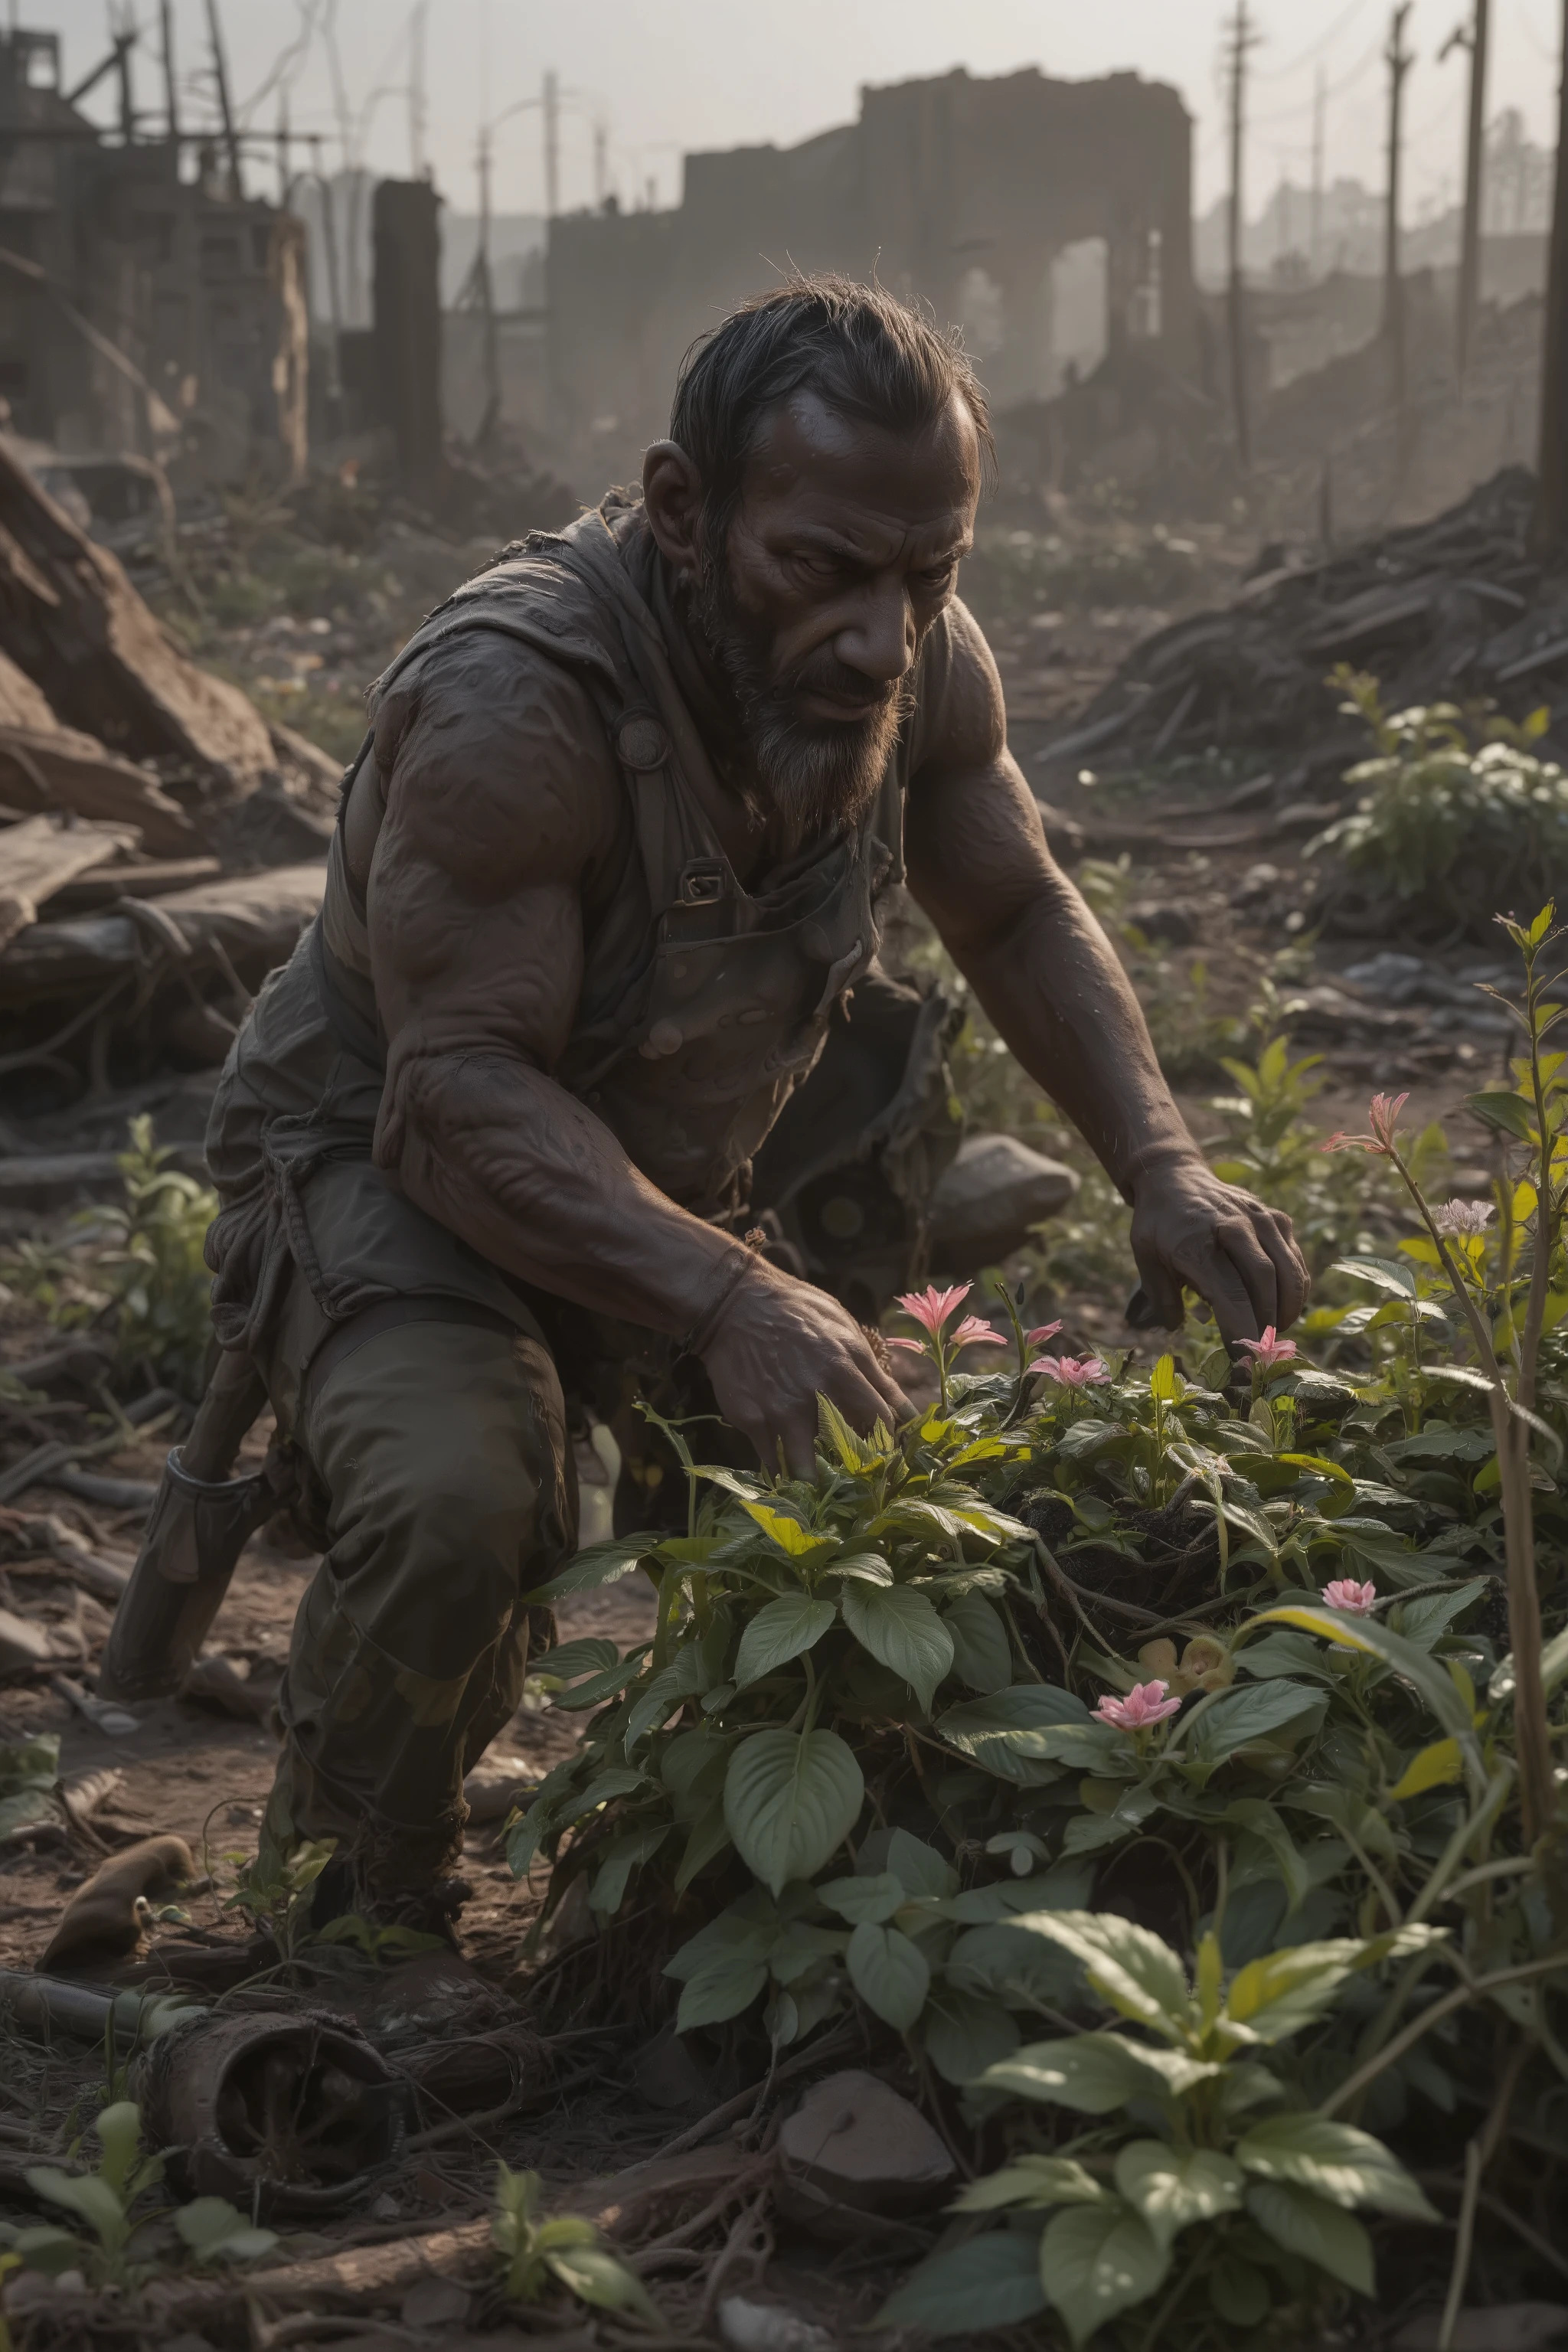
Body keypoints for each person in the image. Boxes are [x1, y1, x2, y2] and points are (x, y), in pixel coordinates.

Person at [204, 277, 1308, 1929]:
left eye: (927, 575)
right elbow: (455, 1102)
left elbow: (1011, 908)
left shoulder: (910, 652)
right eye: (824, 569)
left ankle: (733, 1906)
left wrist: (1161, 1160)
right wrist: (729, 1290)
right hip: (394, 1145)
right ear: (681, 510)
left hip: (655, 1143)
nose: (880, 636)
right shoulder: (520, 704)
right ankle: (345, 1917)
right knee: (464, 1495)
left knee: (865, 1500)